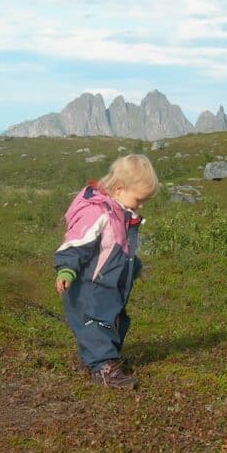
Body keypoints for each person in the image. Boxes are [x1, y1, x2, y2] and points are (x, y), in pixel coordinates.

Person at [55, 154, 159, 389]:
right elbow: (76, 243)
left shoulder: (119, 211)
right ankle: (104, 368)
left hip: (108, 284)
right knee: (97, 323)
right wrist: (66, 270)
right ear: (120, 188)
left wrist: (136, 268)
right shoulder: (98, 213)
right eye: (139, 199)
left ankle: (96, 362)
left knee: (113, 321)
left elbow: (119, 247)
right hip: (91, 287)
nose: (141, 205)